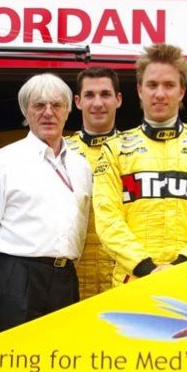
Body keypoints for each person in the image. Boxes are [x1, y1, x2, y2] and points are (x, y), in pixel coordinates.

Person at [93, 43, 187, 286]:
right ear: (139, 90)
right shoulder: (114, 148)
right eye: (152, 85)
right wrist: (145, 268)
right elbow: (108, 220)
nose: (160, 93)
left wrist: (183, 264)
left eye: (169, 85)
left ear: (181, 91)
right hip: (132, 280)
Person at [0, 73, 92, 334]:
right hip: (16, 276)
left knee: (62, 357)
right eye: (39, 105)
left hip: (64, 277)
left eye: (56, 105)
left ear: (67, 110)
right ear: (26, 111)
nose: (48, 113)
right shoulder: (2, 162)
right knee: (16, 359)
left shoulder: (81, 166)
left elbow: (80, 226)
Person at [65, 66, 122, 299]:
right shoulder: (59, 153)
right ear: (77, 101)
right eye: (89, 95)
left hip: (121, 277)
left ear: (118, 100)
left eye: (105, 94)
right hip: (73, 278)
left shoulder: (137, 152)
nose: (97, 103)